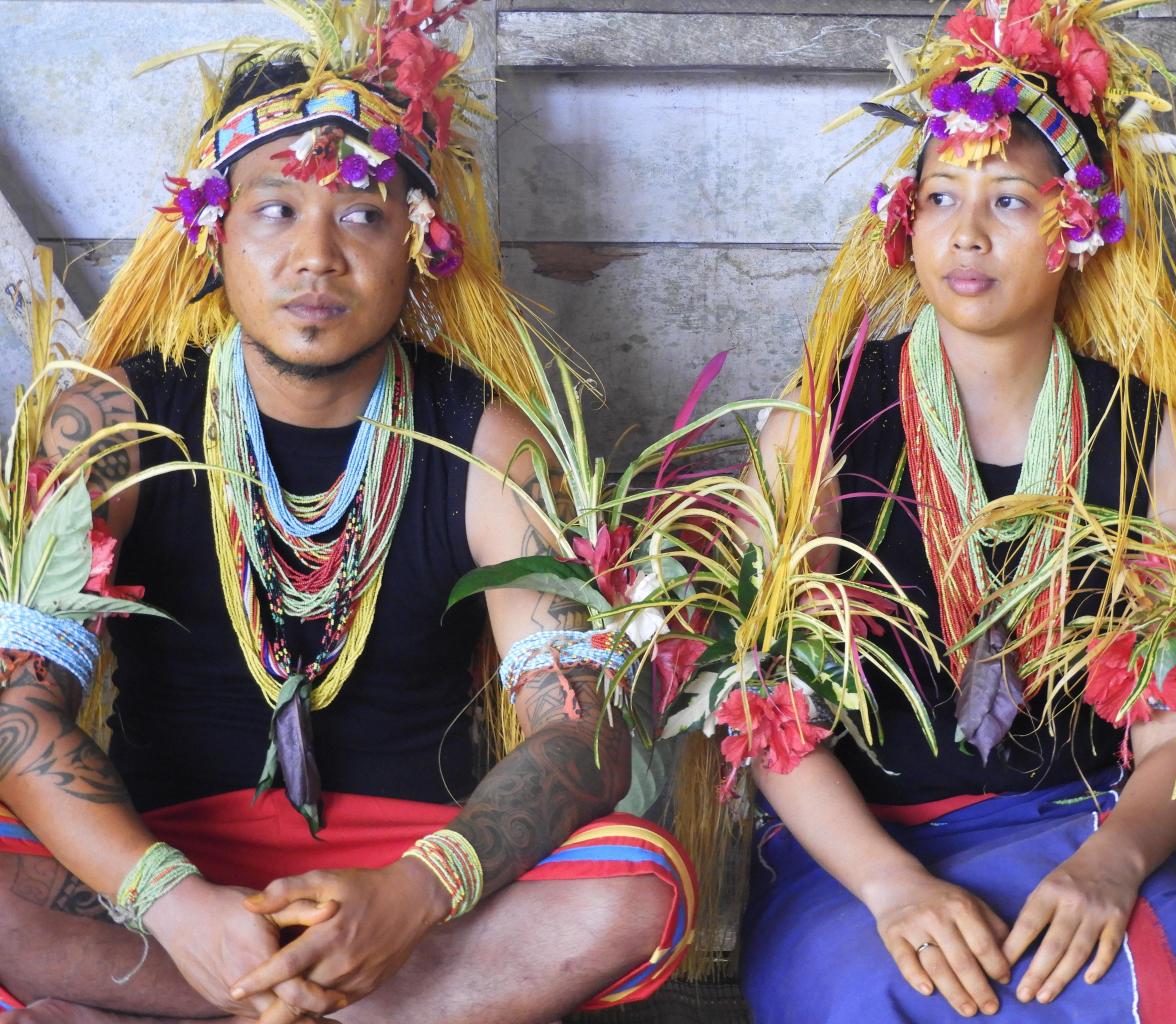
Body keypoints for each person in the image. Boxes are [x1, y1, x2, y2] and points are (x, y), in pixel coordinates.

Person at [0, 4, 692, 1022]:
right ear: (211, 234)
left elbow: (583, 733)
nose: (316, 255)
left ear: (419, 244)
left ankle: (210, 1007)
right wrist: (175, 904)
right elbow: (18, 712)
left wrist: (414, 894)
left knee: (635, 881)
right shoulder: (108, 422)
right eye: (276, 210)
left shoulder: (490, 441)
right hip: (165, 868)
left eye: (362, 215)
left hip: (409, 881)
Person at [732, 2, 1176, 1021]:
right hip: (854, 855)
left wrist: (1115, 862)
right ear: (905, 222)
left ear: (1076, 227)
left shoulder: (1153, 437)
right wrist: (891, 886)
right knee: (876, 997)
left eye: (1010, 201)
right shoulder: (819, 421)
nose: (966, 232)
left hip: (1077, 827)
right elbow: (762, 707)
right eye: (940, 197)